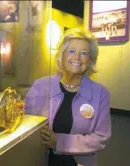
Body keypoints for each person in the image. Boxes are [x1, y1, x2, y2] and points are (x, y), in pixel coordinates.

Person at [24, 28, 111, 166]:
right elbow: (25, 121)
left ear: (89, 61)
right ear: (61, 56)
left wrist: (59, 142)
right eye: (71, 51)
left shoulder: (100, 93)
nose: (77, 57)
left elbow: (101, 137)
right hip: (39, 160)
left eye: (84, 53)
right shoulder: (41, 86)